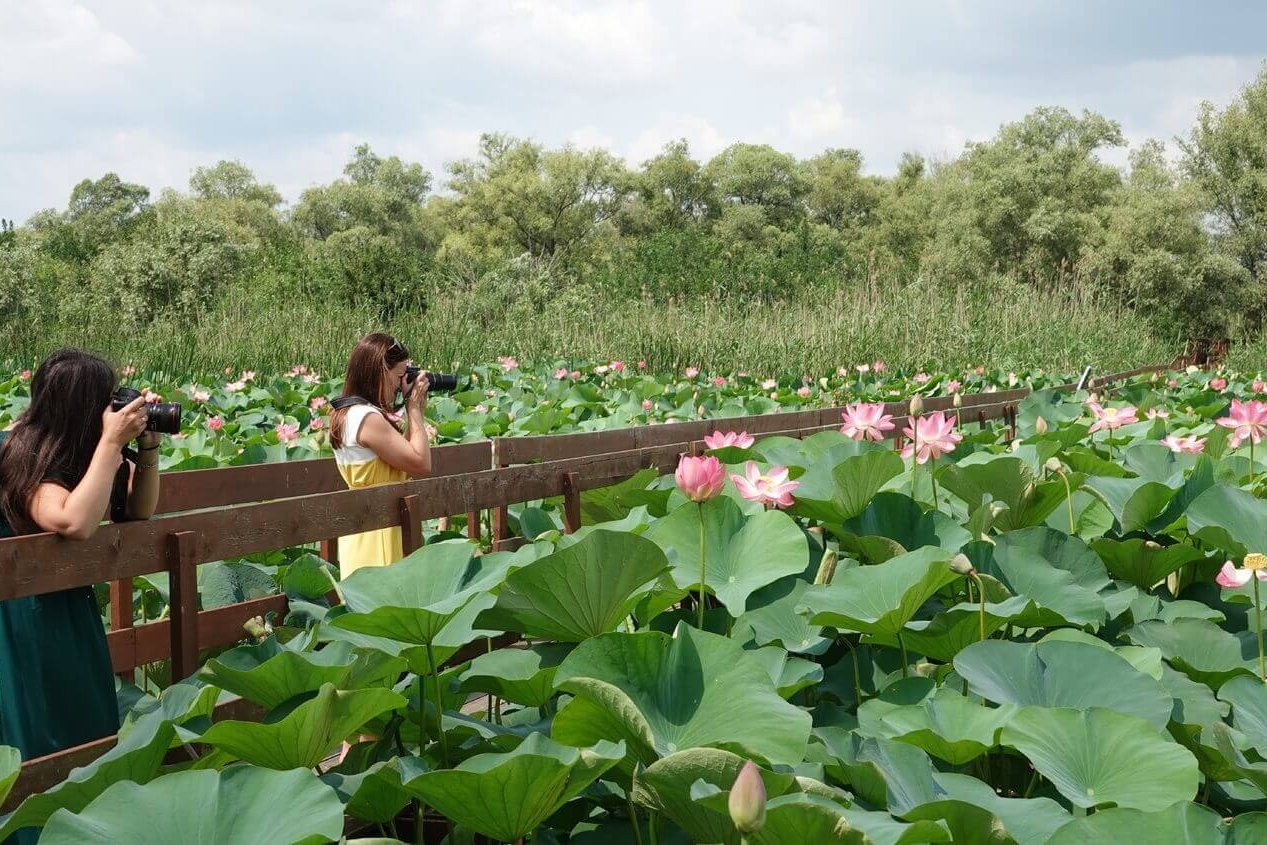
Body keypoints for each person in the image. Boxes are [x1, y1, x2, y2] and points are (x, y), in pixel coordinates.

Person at [0, 349, 159, 840]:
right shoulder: (18, 453)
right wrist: (111, 442)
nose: (112, 410)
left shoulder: (75, 455)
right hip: (21, 618)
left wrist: (147, 451)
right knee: (37, 734)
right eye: (104, 401)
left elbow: (138, 513)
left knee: (87, 722)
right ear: (78, 406)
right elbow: (72, 520)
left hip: (65, 609)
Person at [329, 333, 432, 578]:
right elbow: (420, 462)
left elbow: (405, 458)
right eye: (398, 376)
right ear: (379, 372)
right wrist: (414, 409)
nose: (401, 385)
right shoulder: (366, 418)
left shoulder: (348, 413)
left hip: (366, 523)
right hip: (380, 529)